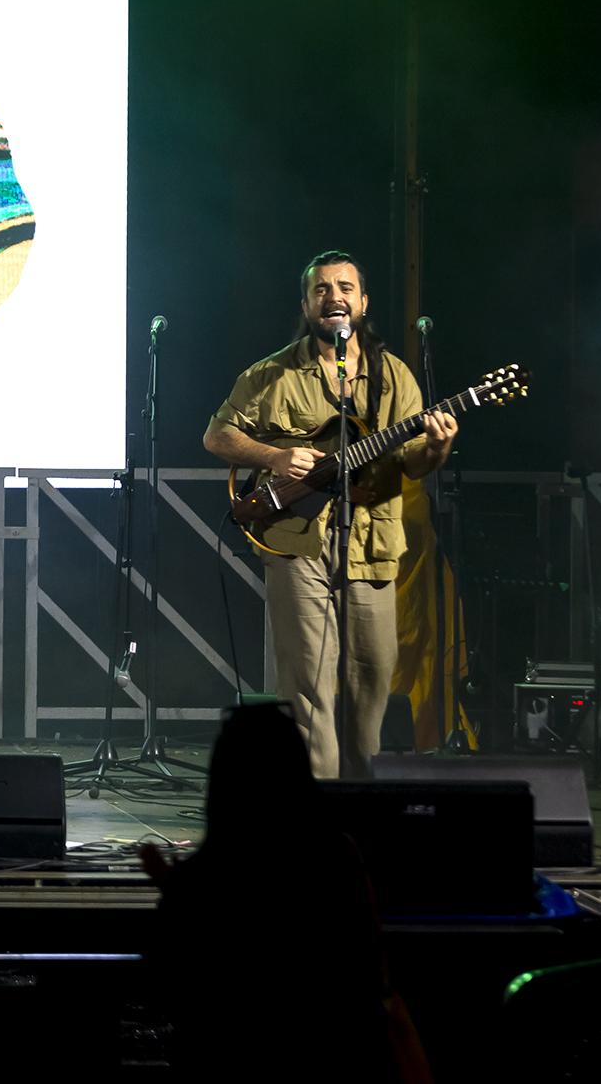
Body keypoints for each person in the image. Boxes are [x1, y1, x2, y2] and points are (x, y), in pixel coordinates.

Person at [203, 251, 458, 779]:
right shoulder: (271, 373)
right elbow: (217, 436)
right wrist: (274, 457)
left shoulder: (394, 376)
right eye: (321, 289)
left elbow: (415, 463)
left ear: (362, 303)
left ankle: (363, 795)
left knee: (374, 672)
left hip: (372, 545)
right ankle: (313, 803)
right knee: (308, 680)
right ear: (306, 304)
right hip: (295, 540)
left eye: (345, 288)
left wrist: (438, 447)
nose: (334, 297)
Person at [139, 704, 429, 1082]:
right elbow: (367, 970)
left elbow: (164, 987)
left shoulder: (206, 876)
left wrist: (174, 888)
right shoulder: (338, 859)